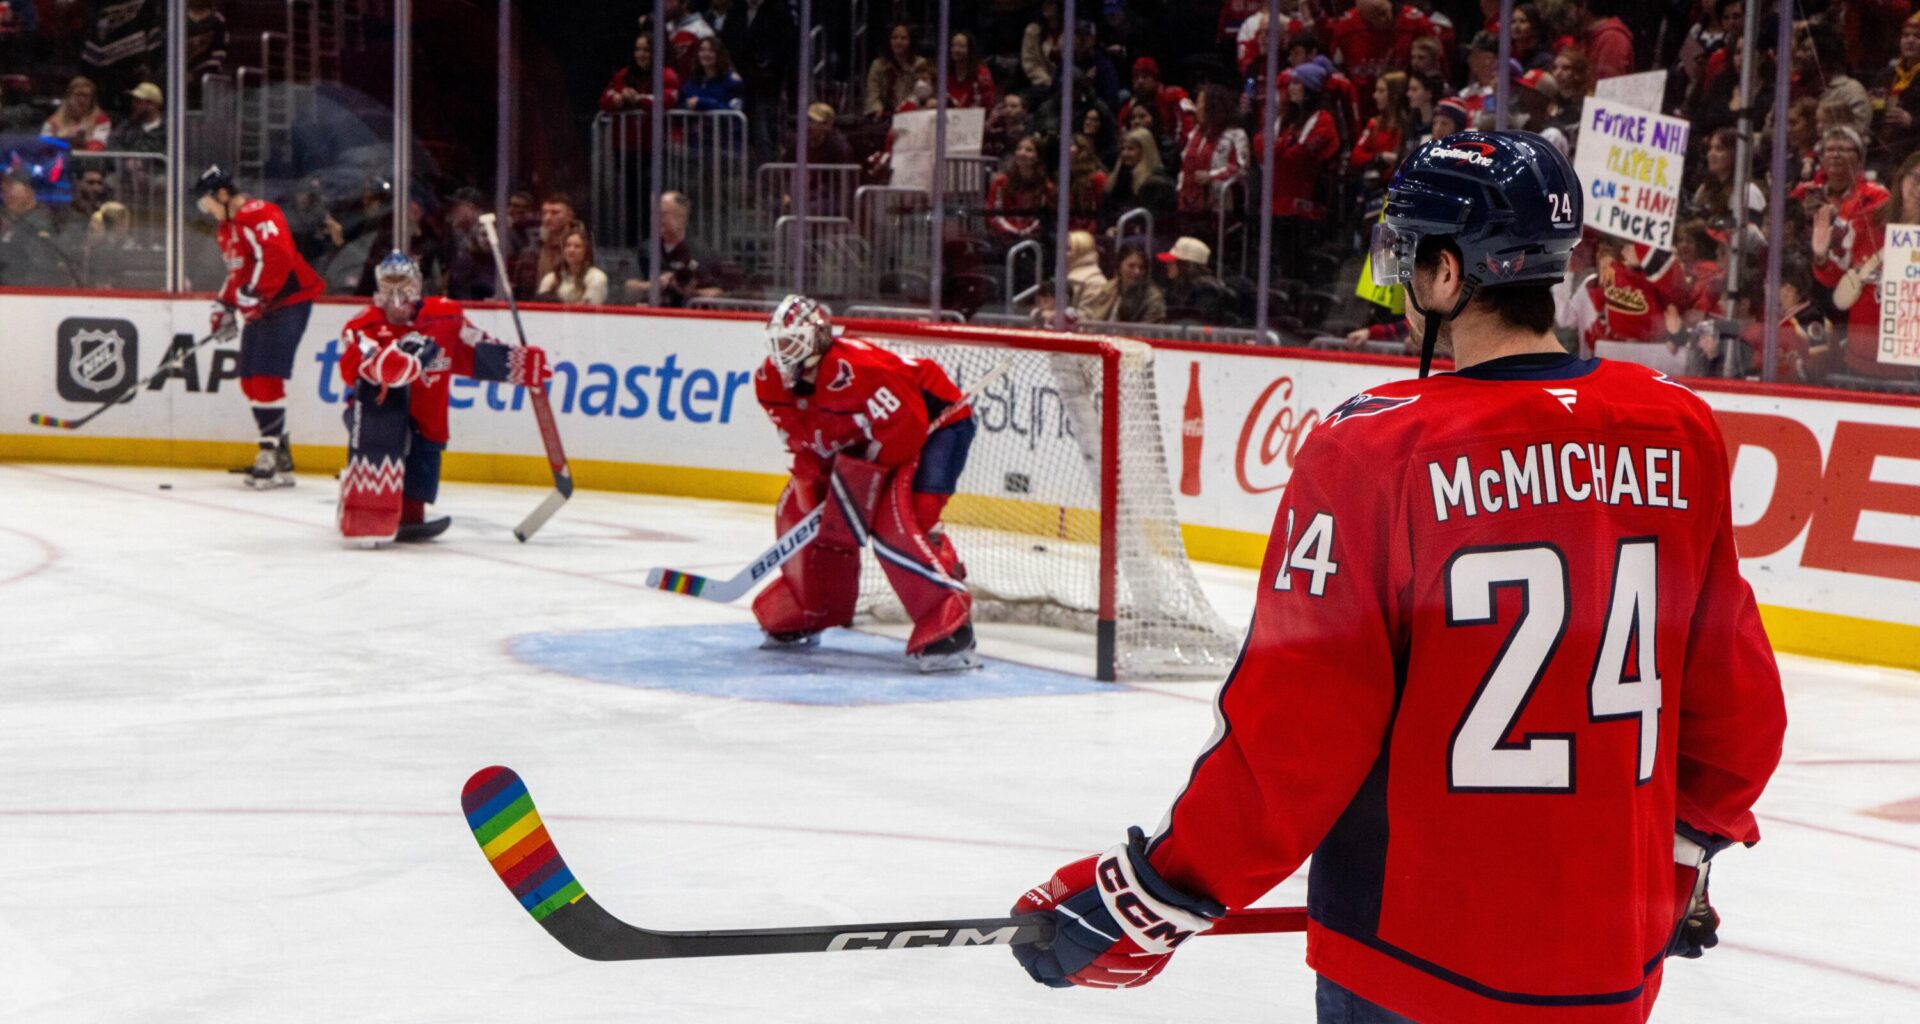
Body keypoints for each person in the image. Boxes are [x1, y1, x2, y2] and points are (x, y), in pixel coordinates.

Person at [1009, 131, 1786, 1023]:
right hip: (1612, 965)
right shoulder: (1677, 425)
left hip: (1415, 962)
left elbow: (1294, 730)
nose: (1398, 285)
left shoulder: (1376, 447)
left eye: (1410, 257)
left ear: (1450, 275)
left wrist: (1158, 889)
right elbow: (1737, 708)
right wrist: (1680, 860)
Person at [752, 295, 979, 672]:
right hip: (875, 440)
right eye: (778, 343)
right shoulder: (769, 381)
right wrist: (819, 483)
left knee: (906, 518)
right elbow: (805, 443)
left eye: (792, 341)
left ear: (819, 337)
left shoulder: (861, 368)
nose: (783, 352)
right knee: (803, 507)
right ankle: (813, 605)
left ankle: (951, 623)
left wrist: (861, 482)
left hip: (939, 425)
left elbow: (906, 433)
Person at [335, 252, 552, 543]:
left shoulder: (446, 316)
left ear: (418, 283)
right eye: (389, 284)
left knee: (424, 459)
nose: (397, 294)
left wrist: (519, 364)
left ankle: (410, 513)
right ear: (378, 287)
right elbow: (353, 367)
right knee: (382, 436)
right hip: (373, 412)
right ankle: (363, 507)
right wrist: (385, 366)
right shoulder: (363, 326)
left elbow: (476, 350)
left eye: (404, 283)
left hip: (427, 414)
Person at [195, 165, 325, 489]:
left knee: (266, 377)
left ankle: (268, 451)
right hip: (264, 305)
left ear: (223, 195)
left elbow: (277, 256)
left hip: (289, 302)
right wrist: (224, 304)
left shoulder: (259, 213)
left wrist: (253, 295)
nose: (206, 210)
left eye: (207, 202)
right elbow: (237, 273)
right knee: (250, 378)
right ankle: (280, 452)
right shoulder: (226, 229)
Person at [0, 168, 81, 287]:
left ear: (29, 190)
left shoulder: (39, 225)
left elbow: (42, 271)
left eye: (11, 186)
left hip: (26, 297)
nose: (5, 193)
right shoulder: (13, 223)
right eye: (3, 189)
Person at [1100, 127, 1176, 232]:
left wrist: (1121, 230)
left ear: (1145, 150)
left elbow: (1153, 223)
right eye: (1123, 149)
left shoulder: (1157, 184)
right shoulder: (1119, 179)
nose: (1124, 154)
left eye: (1130, 149)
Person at [986, 135, 1054, 242]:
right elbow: (993, 215)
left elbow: (1045, 218)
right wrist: (1014, 231)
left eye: (1029, 150)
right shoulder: (1000, 182)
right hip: (1004, 237)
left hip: (1034, 238)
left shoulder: (1045, 186)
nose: (1022, 153)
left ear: (1038, 157)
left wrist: (1027, 231)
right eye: (1019, 149)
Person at [600, 32, 680, 116]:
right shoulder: (624, 73)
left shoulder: (668, 74)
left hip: (655, 128)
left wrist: (638, 99)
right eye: (637, 49)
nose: (640, 54)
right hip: (628, 128)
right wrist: (616, 99)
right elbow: (604, 98)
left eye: (646, 50)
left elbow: (667, 101)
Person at [1159, 236, 1233, 325]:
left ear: (1185, 265)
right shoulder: (1177, 288)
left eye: (1172, 262)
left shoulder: (1207, 291)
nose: (1167, 265)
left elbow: (1199, 325)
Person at [1083, 244, 1166, 323]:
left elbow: (1148, 330)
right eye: (1131, 266)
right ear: (1119, 266)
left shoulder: (1153, 297)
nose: (1137, 272)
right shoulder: (1108, 289)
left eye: (1142, 267)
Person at [865, 22, 929, 118]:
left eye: (903, 38)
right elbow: (872, 93)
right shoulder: (878, 65)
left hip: (911, 114)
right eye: (894, 38)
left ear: (911, 41)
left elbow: (919, 94)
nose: (898, 41)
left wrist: (904, 108)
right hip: (883, 116)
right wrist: (877, 108)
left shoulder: (920, 64)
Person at [537, 228, 608, 306]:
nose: (571, 250)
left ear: (586, 251)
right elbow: (541, 304)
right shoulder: (551, 278)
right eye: (567, 245)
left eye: (577, 246)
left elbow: (588, 308)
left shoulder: (596, 277)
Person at [40, 76, 112, 151]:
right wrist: (68, 143)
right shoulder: (53, 121)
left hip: (88, 161)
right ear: (69, 97)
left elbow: (97, 147)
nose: (81, 100)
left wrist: (80, 143)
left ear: (92, 100)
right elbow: (43, 144)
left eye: (86, 96)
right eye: (78, 95)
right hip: (59, 160)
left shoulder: (101, 119)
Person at [680, 36, 744, 113]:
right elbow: (681, 104)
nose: (706, 54)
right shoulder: (693, 80)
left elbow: (734, 111)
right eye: (702, 50)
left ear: (719, 54)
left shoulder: (732, 81)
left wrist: (704, 103)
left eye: (711, 50)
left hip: (721, 125)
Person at [946, 31, 997, 110]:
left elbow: (988, 104)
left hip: (974, 118)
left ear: (970, 50)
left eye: (961, 46)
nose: (956, 49)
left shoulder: (982, 74)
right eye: (953, 45)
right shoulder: (945, 72)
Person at [109, 82, 165, 153]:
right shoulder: (126, 126)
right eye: (133, 100)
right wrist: (125, 161)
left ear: (152, 104)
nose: (133, 104)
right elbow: (112, 145)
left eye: (138, 101)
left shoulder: (168, 129)